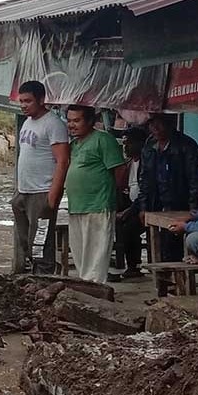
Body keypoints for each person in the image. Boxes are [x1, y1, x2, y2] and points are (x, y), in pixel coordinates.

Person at [11, 80, 70, 275]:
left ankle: (44, 280)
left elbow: (62, 161)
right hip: (24, 191)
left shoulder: (53, 124)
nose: (24, 105)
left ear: (41, 99)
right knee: (26, 240)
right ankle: (34, 277)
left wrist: (52, 196)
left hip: (42, 192)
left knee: (41, 242)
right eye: (21, 101)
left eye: (28, 101)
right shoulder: (27, 122)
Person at [64, 106, 127, 284]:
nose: (71, 125)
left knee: (96, 254)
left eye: (76, 120)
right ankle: (86, 286)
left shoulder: (103, 140)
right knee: (80, 252)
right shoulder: (73, 145)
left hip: (99, 205)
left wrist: (111, 193)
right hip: (77, 206)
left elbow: (120, 170)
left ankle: (95, 288)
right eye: (69, 120)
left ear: (90, 121)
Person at [135, 113, 198, 262]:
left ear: (169, 123)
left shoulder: (186, 145)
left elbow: (195, 180)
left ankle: (176, 278)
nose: (155, 128)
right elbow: (145, 179)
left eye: (159, 123)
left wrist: (194, 209)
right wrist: (143, 206)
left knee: (175, 244)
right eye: (152, 123)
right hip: (158, 202)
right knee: (158, 243)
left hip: (181, 203)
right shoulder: (149, 146)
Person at [114, 129, 146, 278]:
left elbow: (145, 192)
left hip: (144, 207)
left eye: (128, 143)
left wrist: (129, 211)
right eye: (124, 143)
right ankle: (124, 262)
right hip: (131, 204)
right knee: (118, 223)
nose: (125, 147)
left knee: (129, 227)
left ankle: (134, 266)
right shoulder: (128, 164)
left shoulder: (146, 162)